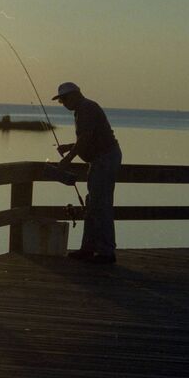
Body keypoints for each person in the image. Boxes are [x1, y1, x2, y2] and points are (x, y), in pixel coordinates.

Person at [53, 82, 122, 264]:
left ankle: (106, 252)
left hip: (104, 159)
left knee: (101, 204)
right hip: (100, 159)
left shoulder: (86, 108)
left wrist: (67, 159)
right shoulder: (83, 109)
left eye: (65, 99)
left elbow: (85, 138)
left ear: (76, 95)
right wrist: (70, 147)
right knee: (92, 204)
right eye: (61, 101)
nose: (64, 103)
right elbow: (88, 138)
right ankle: (89, 248)